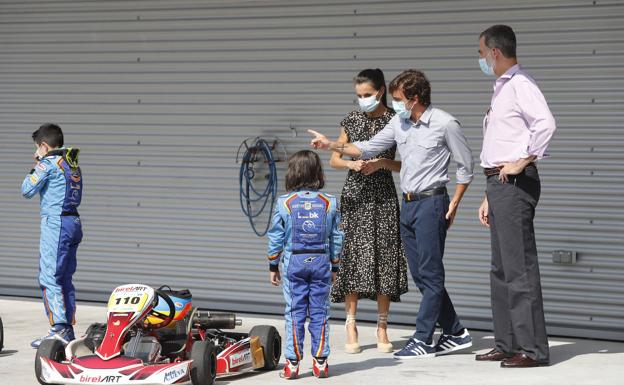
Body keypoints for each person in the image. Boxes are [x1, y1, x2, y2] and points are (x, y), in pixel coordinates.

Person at [309, 69, 475, 359]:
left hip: (432, 202)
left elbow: (466, 167)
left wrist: (455, 203)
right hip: (408, 204)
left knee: (431, 274)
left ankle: (423, 338)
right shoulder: (400, 123)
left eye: (398, 99)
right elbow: (365, 147)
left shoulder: (445, 123)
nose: (395, 103)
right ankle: (455, 332)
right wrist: (330, 145)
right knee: (421, 275)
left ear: (414, 98)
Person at [476, 25, 556, 368]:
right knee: (500, 269)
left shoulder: (521, 84)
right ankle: (507, 343)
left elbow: (546, 124)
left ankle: (533, 349)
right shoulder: (502, 89)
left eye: (481, 53)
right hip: (498, 185)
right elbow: (500, 144)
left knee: (519, 268)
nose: (480, 59)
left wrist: (523, 160)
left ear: (494, 52)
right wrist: (487, 193)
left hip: (514, 184)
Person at [329, 68, 407, 354]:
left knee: (385, 258)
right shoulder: (351, 119)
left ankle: (382, 325)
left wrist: (384, 164)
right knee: (353, 258)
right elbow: (335, 159)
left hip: (384, 197)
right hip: (355, 196)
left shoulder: (396, 121)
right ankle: (350, 323)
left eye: (367, 95)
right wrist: (352, 165)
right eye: (359, 95)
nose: (363, 100)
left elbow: (408, 163)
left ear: (381, 90)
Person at [266, 150, 343, 379]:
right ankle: (320, 362)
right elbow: (336, 237)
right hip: (321, 261)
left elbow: (276, 237)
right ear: (317, 172)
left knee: (294, 312)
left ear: (293, 173)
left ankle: (292, 364)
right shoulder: (329, 202)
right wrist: (335, 266)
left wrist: (273, 265)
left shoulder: (284, 203)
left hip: (294, 263)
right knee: (320, 311)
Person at [22, 123, 83, 348]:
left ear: (45, 146)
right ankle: (67, 328)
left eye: (37, 148)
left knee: (49, 277)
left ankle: (59, 329)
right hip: (73, 222)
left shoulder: (48, 163)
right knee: (64, 277)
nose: (35, 152)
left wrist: (37, 164)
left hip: (56, 223)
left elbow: (26, 189)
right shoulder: (71, 162)